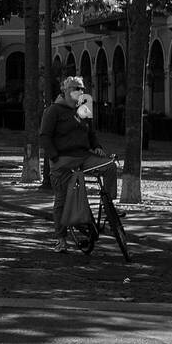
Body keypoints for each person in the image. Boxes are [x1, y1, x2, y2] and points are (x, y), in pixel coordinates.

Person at [39, 76, 118, 253]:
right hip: (63, 160)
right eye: (75, 88)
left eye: (82, 88)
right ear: (64, 91)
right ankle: (61, 239)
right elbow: (44, 136)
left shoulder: (84, 108)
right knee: (61, 199)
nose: (79, 91)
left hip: (84, 156)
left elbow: (91, 133)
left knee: (110, 166)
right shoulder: (53, 110)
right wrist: (55, 158)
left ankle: (109, 209)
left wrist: (97, 147)